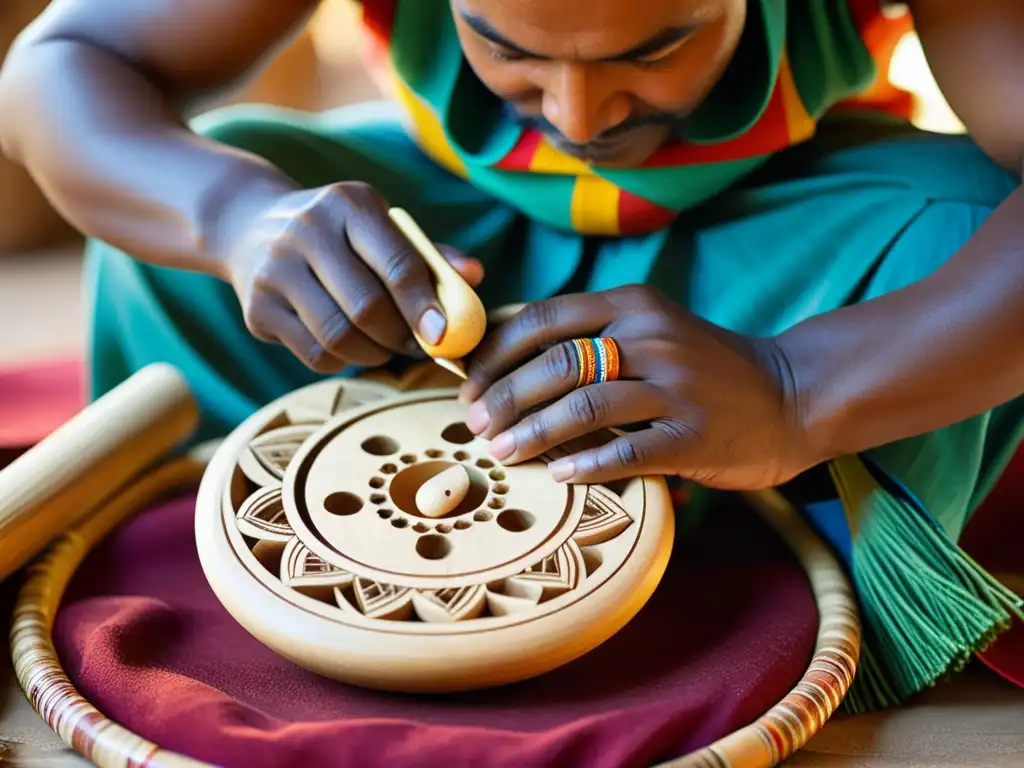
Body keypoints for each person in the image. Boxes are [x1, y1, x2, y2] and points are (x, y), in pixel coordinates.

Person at [1, 0, 1022, 713]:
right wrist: (233, 218)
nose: (580, 119)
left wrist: (796, 385)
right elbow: (56, 66)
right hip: (456, 240)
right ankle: (268, 579)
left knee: (957, 222)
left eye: (656, 45)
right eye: (501, 45)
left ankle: (756, 551)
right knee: (172, 238)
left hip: (777, 263)